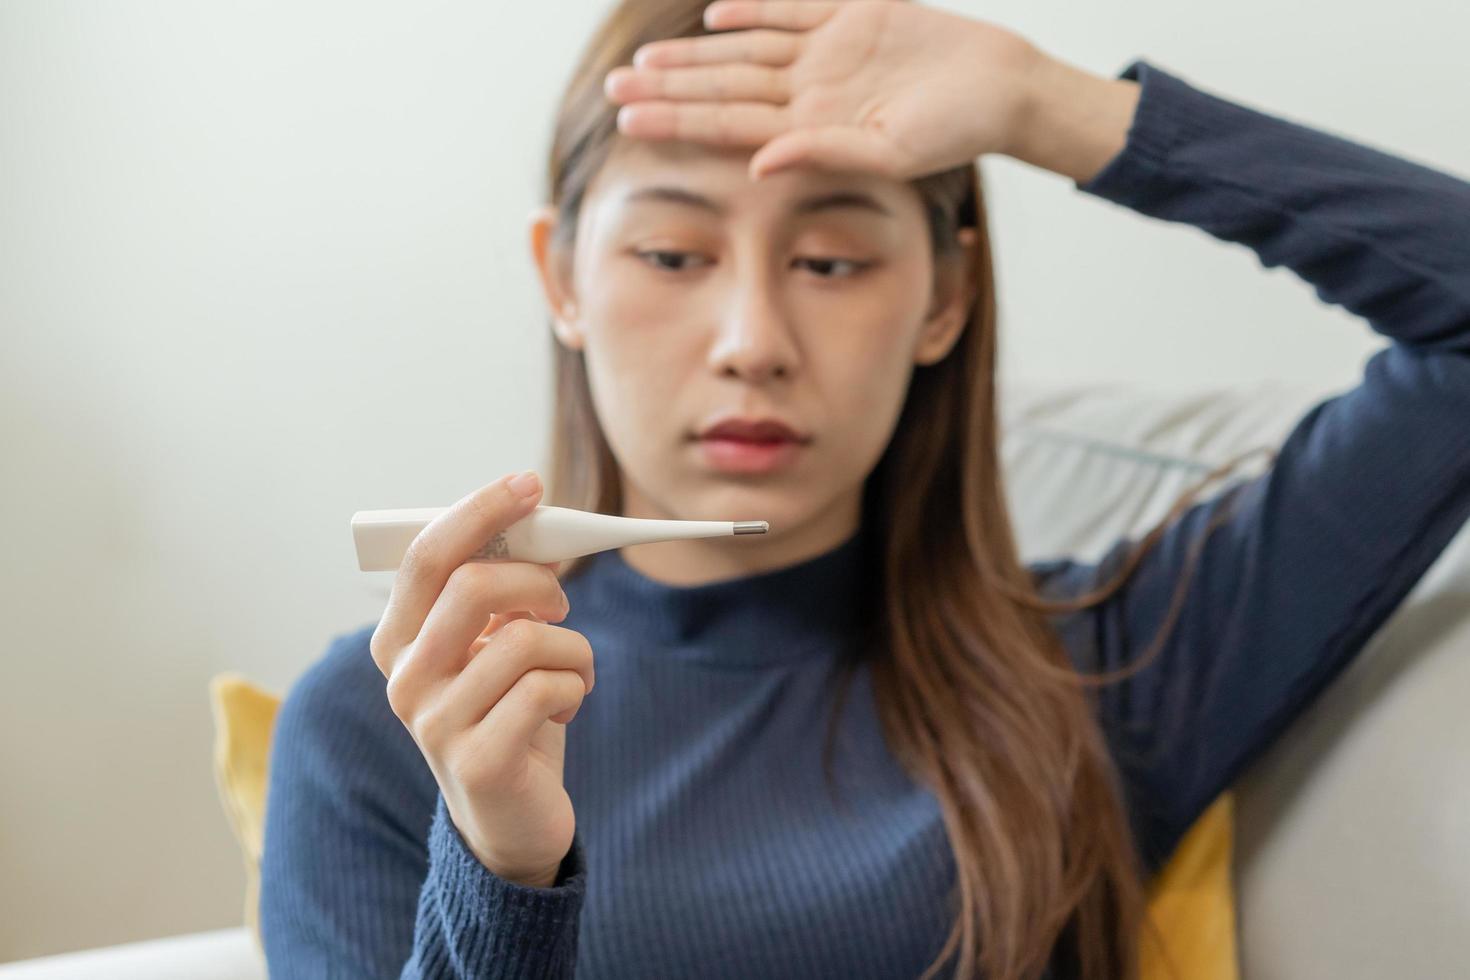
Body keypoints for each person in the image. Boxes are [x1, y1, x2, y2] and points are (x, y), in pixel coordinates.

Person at [259, 1, 1470, 978]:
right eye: (674, 254)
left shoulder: (1107, 667)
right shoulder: (387, 728)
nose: (752, 338)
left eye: (831, 259)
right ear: (562, 278)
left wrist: (1051, 105)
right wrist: (500, 870)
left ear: (945, 297)